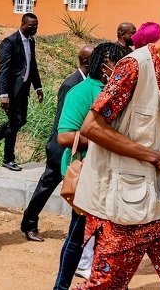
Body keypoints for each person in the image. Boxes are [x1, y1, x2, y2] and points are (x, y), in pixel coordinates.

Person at [72, 0, 160, 290]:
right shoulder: (133, 67)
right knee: (106, 284)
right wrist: (155, 157)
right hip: (126, 205)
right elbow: (92, 127)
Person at [53, 41, 129, 289]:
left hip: (114, 173)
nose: (122, 68)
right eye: (118, 63)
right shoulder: (82, 92)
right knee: (78, 236)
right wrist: (107, 142)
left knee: (115, 238)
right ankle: (61, 287)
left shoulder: (122, 91)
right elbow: (65, 136)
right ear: (103, 65)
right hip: (87, 174)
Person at [20, 43, 96, 242]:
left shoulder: (86, 82)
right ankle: (29, 224)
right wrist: (61, 148)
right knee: (48, 186)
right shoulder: (72, 84)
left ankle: (30, 221)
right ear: (87, 62)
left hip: (70, 147)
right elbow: (62, 122)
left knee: (50, 186)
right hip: (62, 147)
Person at [0, 13, 43, 171]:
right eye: (32, 26)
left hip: (23, 88)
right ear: (23, 24)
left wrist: (38, 87)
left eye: (36, 26)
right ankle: (8, 159)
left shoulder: (31, 42)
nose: (34, 29)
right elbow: (3, 70)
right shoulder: (9, 42)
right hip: (11, 91)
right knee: (14, 121)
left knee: (21, 120)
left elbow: (32, 65)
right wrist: (3, 94)